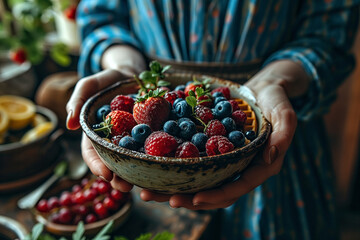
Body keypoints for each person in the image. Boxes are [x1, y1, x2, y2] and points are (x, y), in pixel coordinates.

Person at [66, 1, 360, 239]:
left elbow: (328, 33)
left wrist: (275, 80)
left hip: (263, 132)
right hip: (150, 91)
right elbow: (102, 16)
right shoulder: (147, 112)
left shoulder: (218, 118)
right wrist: (127, 72)